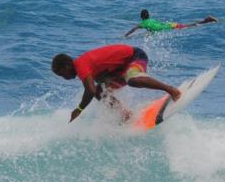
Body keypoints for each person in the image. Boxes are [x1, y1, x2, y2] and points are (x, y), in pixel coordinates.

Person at [51, 44, 181, 123]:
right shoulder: (83, 67)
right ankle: (125, 116)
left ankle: (171, 90)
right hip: (121, 69)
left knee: (132, 80)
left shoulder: (81, 65)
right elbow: (95, 89)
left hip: (135, 56)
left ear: (67, 66)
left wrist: (79, 109)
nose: (65, 78)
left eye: (62, 74)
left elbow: (89, 91)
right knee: (99, 91)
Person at [124, 9, 217, 37]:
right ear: (148, 15)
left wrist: (126, 35)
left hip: (167, 28)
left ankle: (206, 20)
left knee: (190, 26)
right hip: (169, 25)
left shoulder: (143, 23)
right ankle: (205, 21)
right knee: (187, 25)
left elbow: (133, 29)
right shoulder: (151, 20)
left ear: (141, 17)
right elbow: (153, 28)